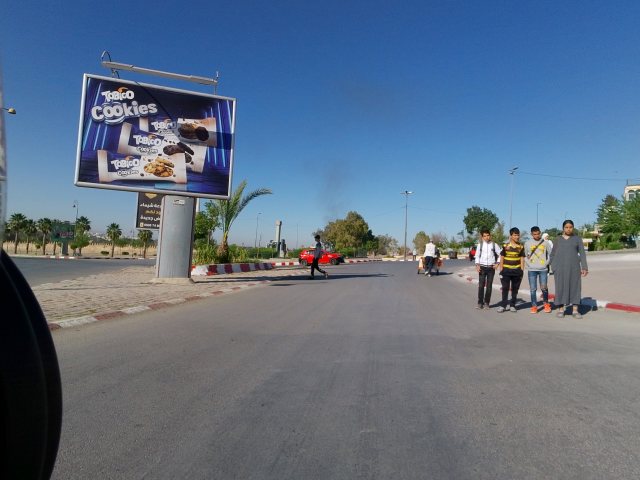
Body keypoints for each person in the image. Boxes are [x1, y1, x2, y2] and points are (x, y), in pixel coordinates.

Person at [549, 220, 588, 318]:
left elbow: (582, 254)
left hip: (574, 268)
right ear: (563, 228)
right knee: (560, 288)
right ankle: (561, 309)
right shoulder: (558, 239)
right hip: (560, 268)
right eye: (566, 227)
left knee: (575, 287)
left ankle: (575, 310)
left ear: (573, 228)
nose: (568, 229)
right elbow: (553, 254)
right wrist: (553, 266)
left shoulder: (577, 239)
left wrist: (584, 267)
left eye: (570, 227)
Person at [496, 227, 525, 313]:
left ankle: (512, 305)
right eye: (515, 235)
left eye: (518, 235)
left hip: (517, 271)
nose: (517, 237)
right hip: (506, 271)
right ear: (511, 236)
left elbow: (522, 259)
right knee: (505, 288)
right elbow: (502, 258)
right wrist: (501, 270)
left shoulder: (521, 246)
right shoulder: (505, 246)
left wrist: (522, 271)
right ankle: (503, 305)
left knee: (515, 289)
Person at [525, 226, 552, 314]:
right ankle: (534, 306)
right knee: (533, 289)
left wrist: (546, 263)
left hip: (543, 269)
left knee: (544, 288)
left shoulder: (546, 243)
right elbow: (525, 255)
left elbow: (551, 254)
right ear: (531, 234)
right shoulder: (527, 243)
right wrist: (529, 264)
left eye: (538, 234)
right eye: (534, 234)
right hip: (531, 270)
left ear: (540, 233)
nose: (537, 235)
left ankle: (546, 304)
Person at [474, 229, 501, 309]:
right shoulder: (480, 245)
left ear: (490, 235)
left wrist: (497, 263)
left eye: (488, 235)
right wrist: (477, 265)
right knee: (481, 286)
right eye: (484, 236)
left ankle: (487, 303)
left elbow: (500, 254)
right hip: (482, 268)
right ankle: (480, 303)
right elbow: (477, 256)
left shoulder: (494, 245)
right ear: (482, 237)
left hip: (491, 268)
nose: (486, 237)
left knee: (489, 286)